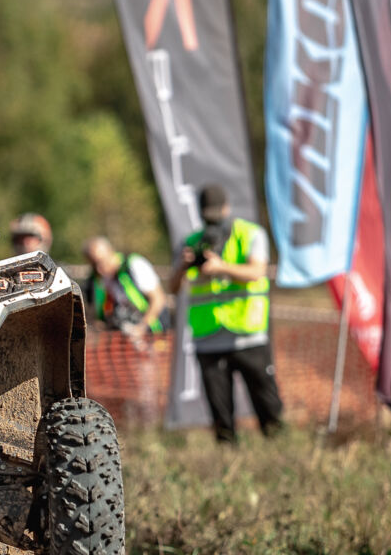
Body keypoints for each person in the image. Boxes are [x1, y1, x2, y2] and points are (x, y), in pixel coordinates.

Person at [166, 183, 284, 443]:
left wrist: (222, 267)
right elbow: (172, 287)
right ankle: (227, 453)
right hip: (208, 336)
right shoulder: (191, 242)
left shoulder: (250, 234)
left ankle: (277, 445)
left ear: (227, 208)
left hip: (247, 334)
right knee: (220, 411)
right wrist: (184, 266)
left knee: (266, 401)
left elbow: (257, 272)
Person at [82, 236, 168, 340]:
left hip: (154, 335)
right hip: (126, 339)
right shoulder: (100, 279)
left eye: (100, 262)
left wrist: (141, 327)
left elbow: (158, 299)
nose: (99, 269)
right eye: (93, 265)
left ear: (110, 251)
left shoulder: (134, 264)